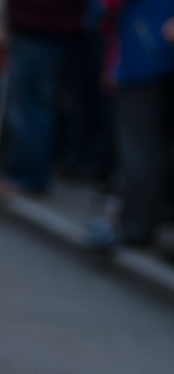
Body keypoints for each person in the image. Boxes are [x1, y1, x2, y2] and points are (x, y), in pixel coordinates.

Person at [91, 0, 174, 248]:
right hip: (152, 47)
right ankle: (152, 216)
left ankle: (135, 224)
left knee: (140, 146)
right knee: (155, 146)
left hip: (146, 48)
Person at [0, 0, 90, 196]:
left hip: (40, 26)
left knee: (32, 107)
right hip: (47, 27)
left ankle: (27, 175)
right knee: (35, 105)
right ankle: (23, 172)